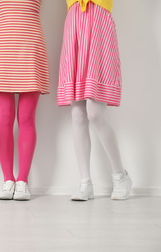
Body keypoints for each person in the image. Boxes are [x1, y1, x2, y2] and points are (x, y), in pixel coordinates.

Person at [57, 0, 132, 201]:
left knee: (95, 113)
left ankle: (120, 176)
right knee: (78, 113)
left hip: (99, 24)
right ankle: (85, 182)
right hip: (74, 23)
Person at [0, 0, 50, 200]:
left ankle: (22, 181)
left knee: (27, 119)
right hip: (2, 49)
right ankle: (7, 180)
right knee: (4, 117)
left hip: (31, 50)